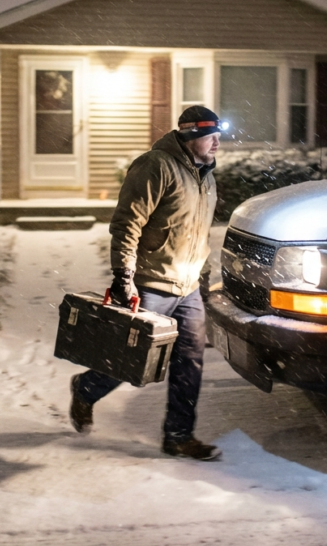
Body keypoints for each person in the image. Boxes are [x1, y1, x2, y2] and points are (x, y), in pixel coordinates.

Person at [69, 105, 223, 461]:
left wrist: (202, 278)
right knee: (132, 360)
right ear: (189, 136)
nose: (217, 143)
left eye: (219, 136)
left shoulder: (206, 176)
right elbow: (127, 223)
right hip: (152, 282)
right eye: (210, 136)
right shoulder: (156, 166)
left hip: (187, 289)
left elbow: (198, 234)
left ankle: (179, 436)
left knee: (189, 362)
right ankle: (87, 388)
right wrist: (124, 277)